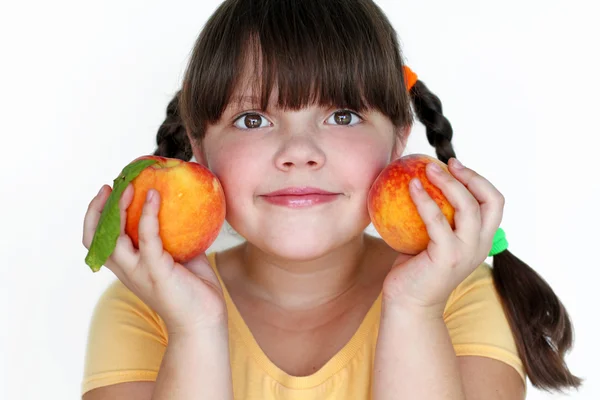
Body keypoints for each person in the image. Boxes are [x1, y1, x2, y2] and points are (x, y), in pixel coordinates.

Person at [80, 0, 581, 399]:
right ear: (199, 147)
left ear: (399, 140)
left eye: (342, 116)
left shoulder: (460, 296)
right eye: (253, 120)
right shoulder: (145, 307)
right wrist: (194, 329)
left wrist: (413, 309)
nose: (299, 153)